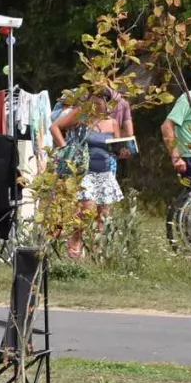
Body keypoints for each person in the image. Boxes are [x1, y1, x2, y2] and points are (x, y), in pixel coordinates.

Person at [51, 91, 124, 258]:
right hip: (84, 171)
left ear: (106, 104)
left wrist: (123, 152)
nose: (95, 107)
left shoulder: (112, 123)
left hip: (104, 172)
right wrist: (65, 149)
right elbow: (55, 127)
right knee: (86, 210)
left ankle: (96, 248)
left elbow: (116, 149)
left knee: (103, 215)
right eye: (92, 103)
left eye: (98, 104)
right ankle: (75, 240)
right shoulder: (81, 116)